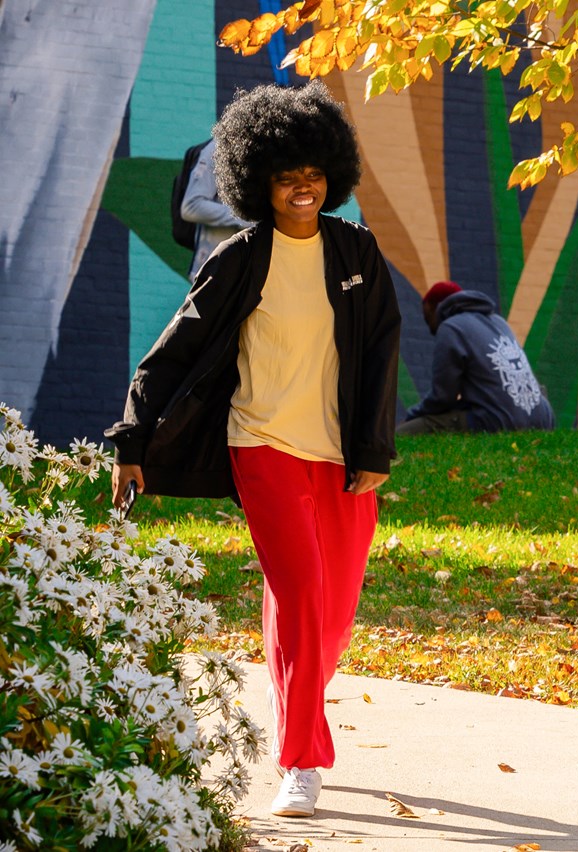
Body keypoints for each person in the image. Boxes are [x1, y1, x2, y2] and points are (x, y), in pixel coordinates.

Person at [105, 81, 401, 818]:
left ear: (331, 175)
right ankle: (301, 760)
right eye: (285, 175)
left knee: (329, 617)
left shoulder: (356, 252)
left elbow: (382, 354)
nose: (303, 186)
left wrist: (374, 450)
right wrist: (132, 440)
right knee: (300, 595)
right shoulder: (241, 259)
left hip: (341, 456)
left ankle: (299, 704)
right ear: (258, 181)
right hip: (260, 442)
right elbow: (173, 352)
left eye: (313, 173)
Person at [397, 281, 554, 434]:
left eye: (427, 318)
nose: (431, 329)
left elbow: (443, 398)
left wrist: (412, 415)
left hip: (501, 422)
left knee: (402, 433)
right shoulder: (499, 322)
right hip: (543, 419)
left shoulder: (450, 327)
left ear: (433, 307)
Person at [181, 138, 251, 281]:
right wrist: (243, 217)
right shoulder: (218, 149)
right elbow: (191, 206)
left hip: (251, 274)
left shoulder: (273, 150)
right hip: (214, 274)